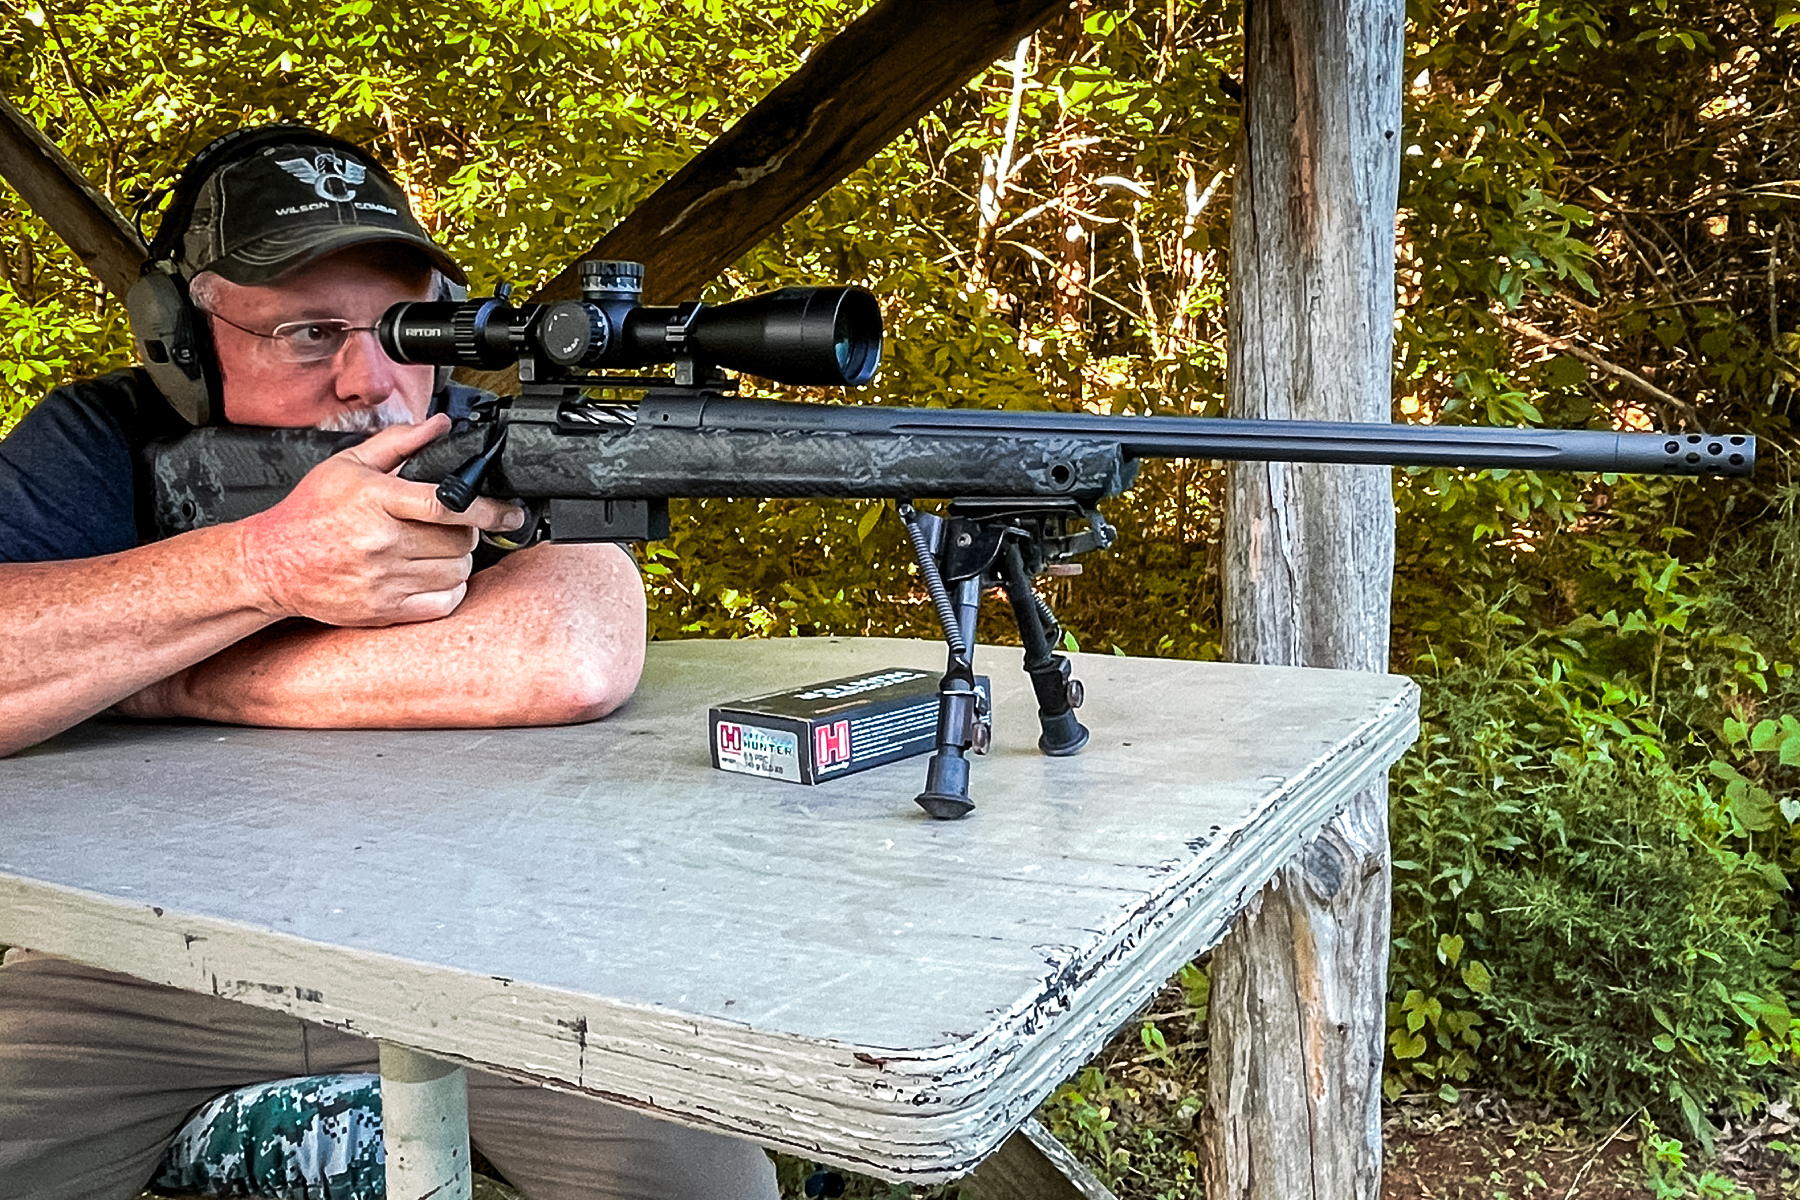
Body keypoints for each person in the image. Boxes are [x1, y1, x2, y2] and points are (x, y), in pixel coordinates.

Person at [0, 126, 779, 1200]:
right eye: (308, 332)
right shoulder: (100, 441)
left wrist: (167, 680)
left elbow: (571, 646)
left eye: (403, 328)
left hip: (494, 952)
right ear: (181, 336)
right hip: (140, 965)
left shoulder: (467, 431)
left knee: (702, 1183)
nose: (369, 382)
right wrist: (265, 565)